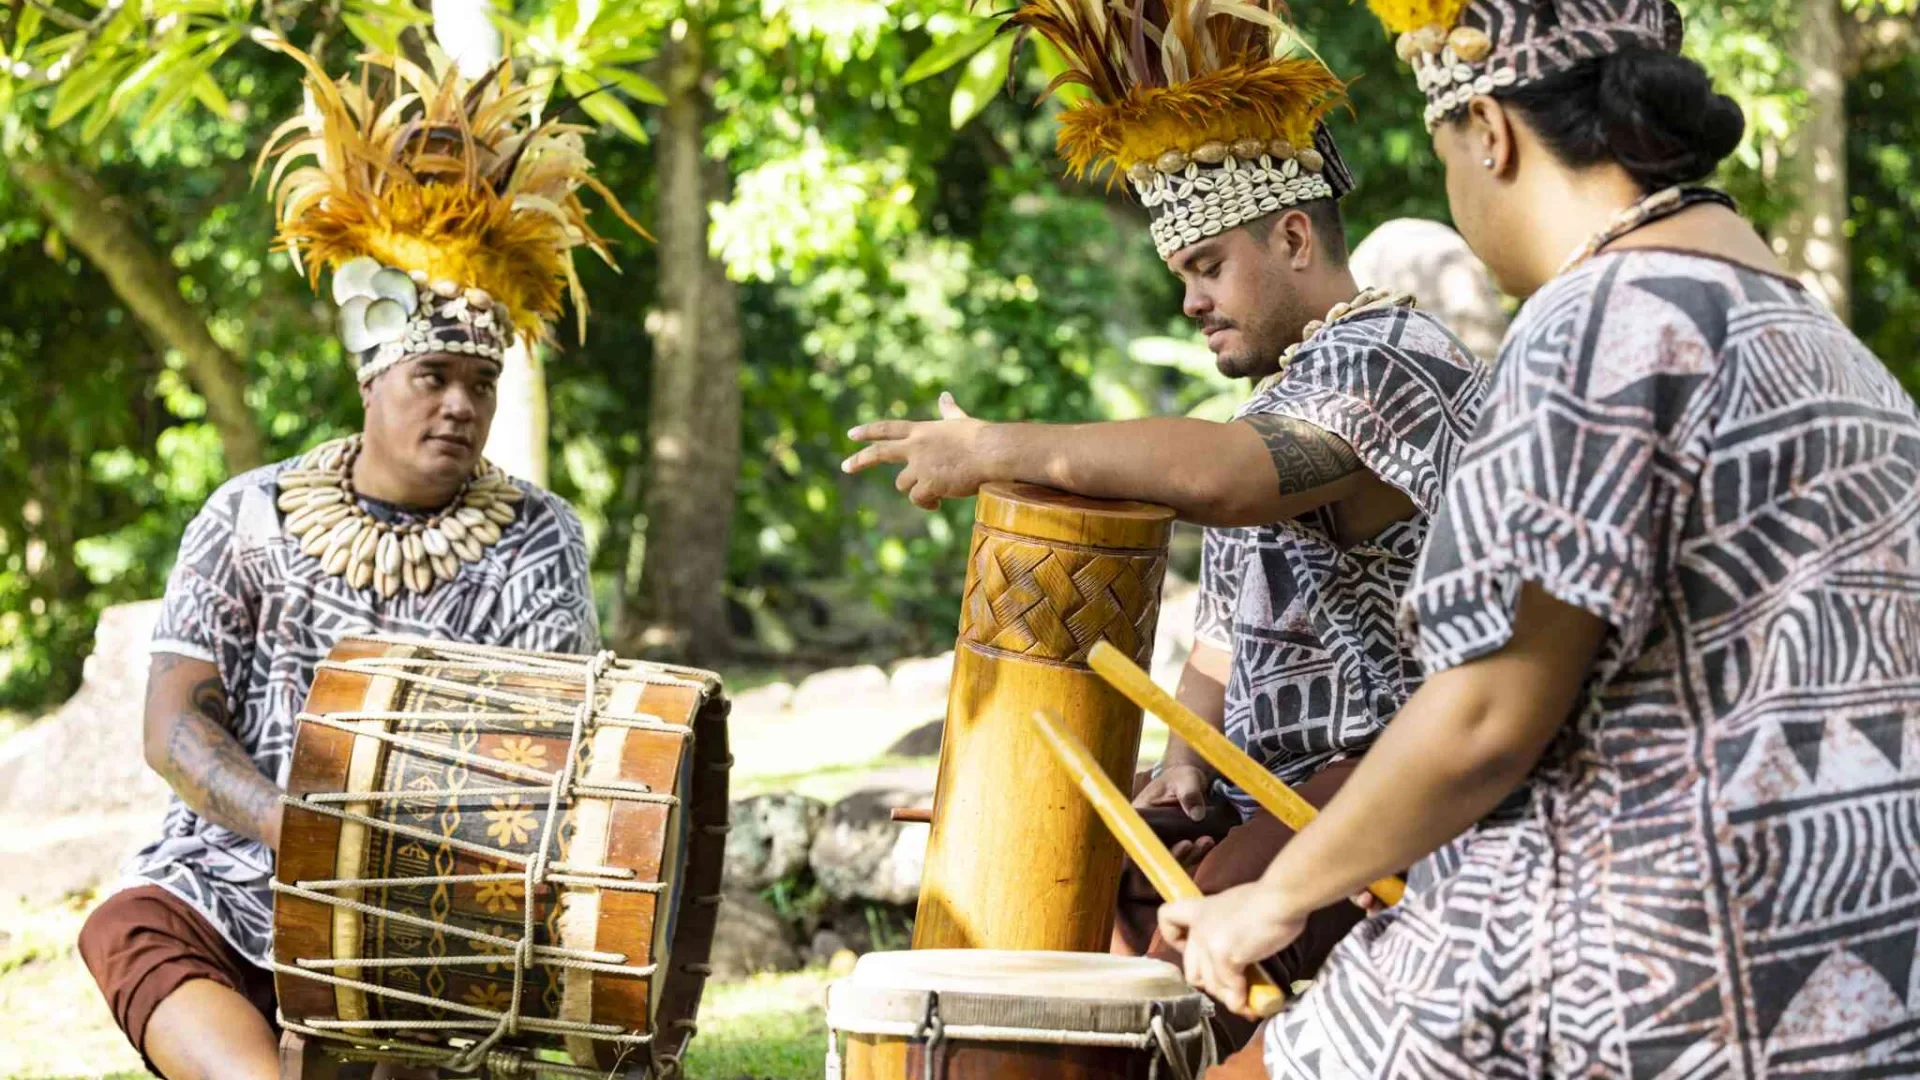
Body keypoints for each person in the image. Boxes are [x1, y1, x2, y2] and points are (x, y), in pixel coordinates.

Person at [1159, 2, 1920, 1076]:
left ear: (1489, 132)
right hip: (1871, 986)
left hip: (1639, 966)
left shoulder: (1601, 324)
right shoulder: (1831, 351)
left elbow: (1485, 715)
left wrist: (1274, 897)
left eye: (1447, 160)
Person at [845, 0, 1488, 1065]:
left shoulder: (1393, 360)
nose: (1189, 299)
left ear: (1291, 236)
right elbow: (1225, 637)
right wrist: (1176, 768)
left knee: (1159, 976)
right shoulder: (1281, 397)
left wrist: (999, 447)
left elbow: (1226, 480)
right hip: (1274, 789)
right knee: (1072, 907)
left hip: (1400, 783)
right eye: (1179, 274)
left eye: (1206, 267)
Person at [75, 41, 633, 1080]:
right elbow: (173, 724)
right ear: (372, 379)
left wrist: (387, 878)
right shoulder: (250, 515)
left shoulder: (537, 536)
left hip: (436, 903)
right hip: (238, 878)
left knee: (420, 987)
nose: (462, 404)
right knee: (130, 925)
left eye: (482, 380)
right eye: (434, 376)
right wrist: (290, 828)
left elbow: (550, 763)